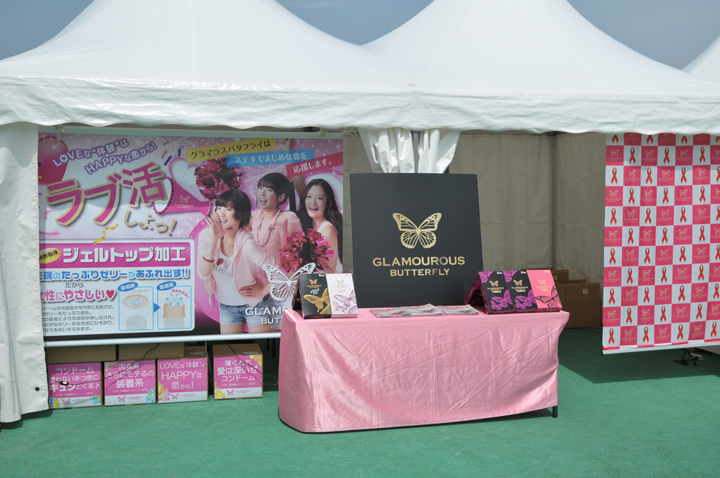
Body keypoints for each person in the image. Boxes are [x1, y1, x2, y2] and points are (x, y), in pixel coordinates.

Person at [197, 188, 275, 334]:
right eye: (219, 208)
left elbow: (278, 272)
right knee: (230, 348)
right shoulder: (206, 236)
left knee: (260, 346)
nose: (221, 213)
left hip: (255, 305)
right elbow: (203, 273)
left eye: (228, 209)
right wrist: (214, 240)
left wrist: (263, 290)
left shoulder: (247, 242)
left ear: (240, 213)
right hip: (227, 306)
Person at [250, 172, 302, 329]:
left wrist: (283, 230)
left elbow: (293, 258)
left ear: (281, 197)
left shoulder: (289, 217)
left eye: (269, 190)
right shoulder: (255, 217)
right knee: (264, 332)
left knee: (283, 333)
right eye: (260, 188)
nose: (262, 193)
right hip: (260, 288)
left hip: (283, 288)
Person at [297, 178, 343, 274]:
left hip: (329, 282)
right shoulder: (309, 226)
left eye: (319, 198)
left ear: (327, 203)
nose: (313, 202)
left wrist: (301, 269)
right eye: (309, 196)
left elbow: (329, 270)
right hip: (312, 281)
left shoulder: (327, 230)